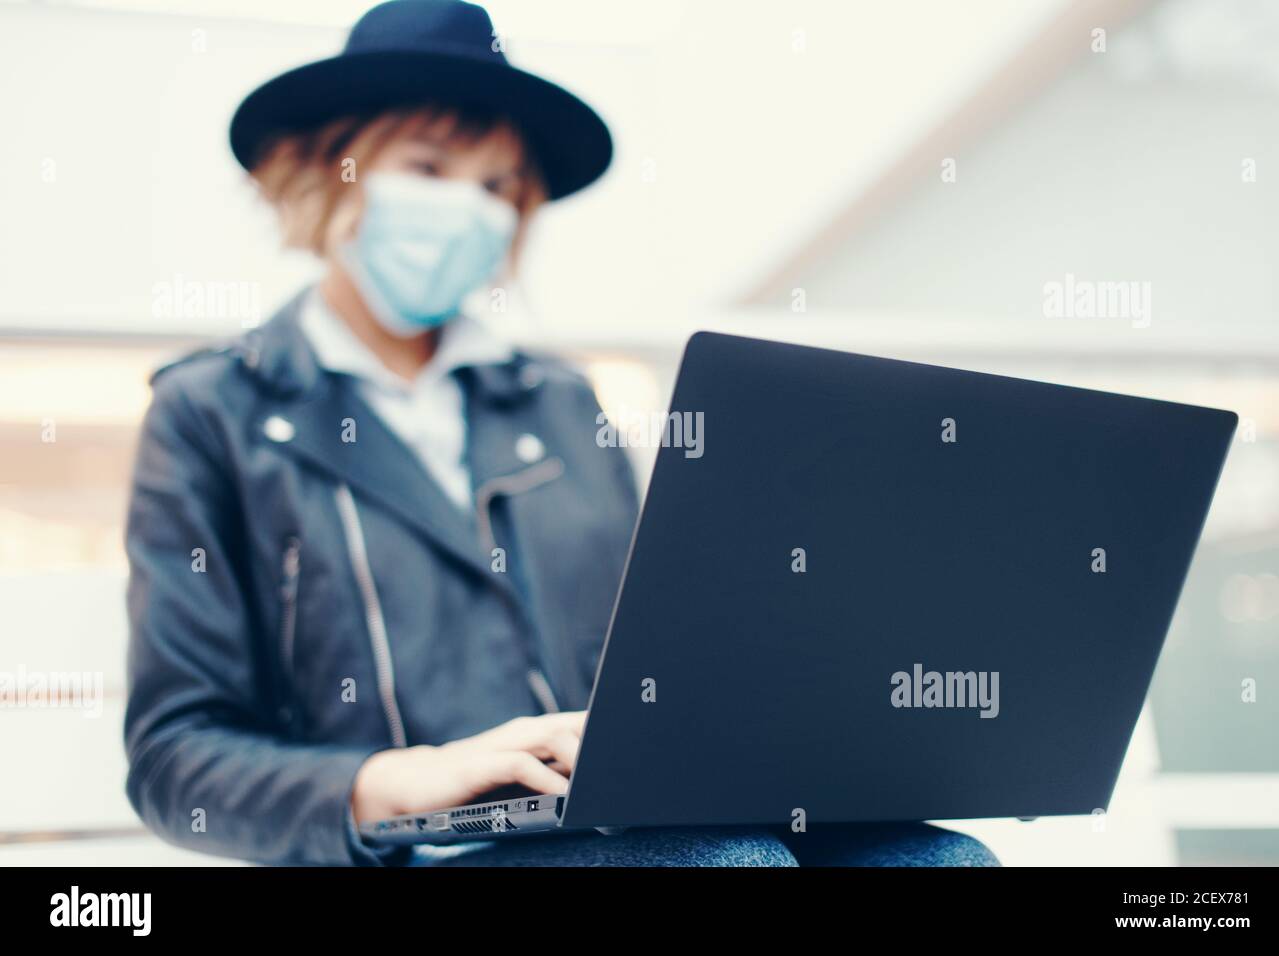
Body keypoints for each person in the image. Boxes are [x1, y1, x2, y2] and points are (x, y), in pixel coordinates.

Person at [123, 0, 997, 867]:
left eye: (498, 187)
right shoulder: (212, 413)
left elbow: (660, 656)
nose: (469, 209)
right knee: (719, 865)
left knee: (940, 860)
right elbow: (176, 757)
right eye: (427, 167)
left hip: (603, 824)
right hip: (408, 857)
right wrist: (401, 779)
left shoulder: (561, 402)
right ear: (325, 173)